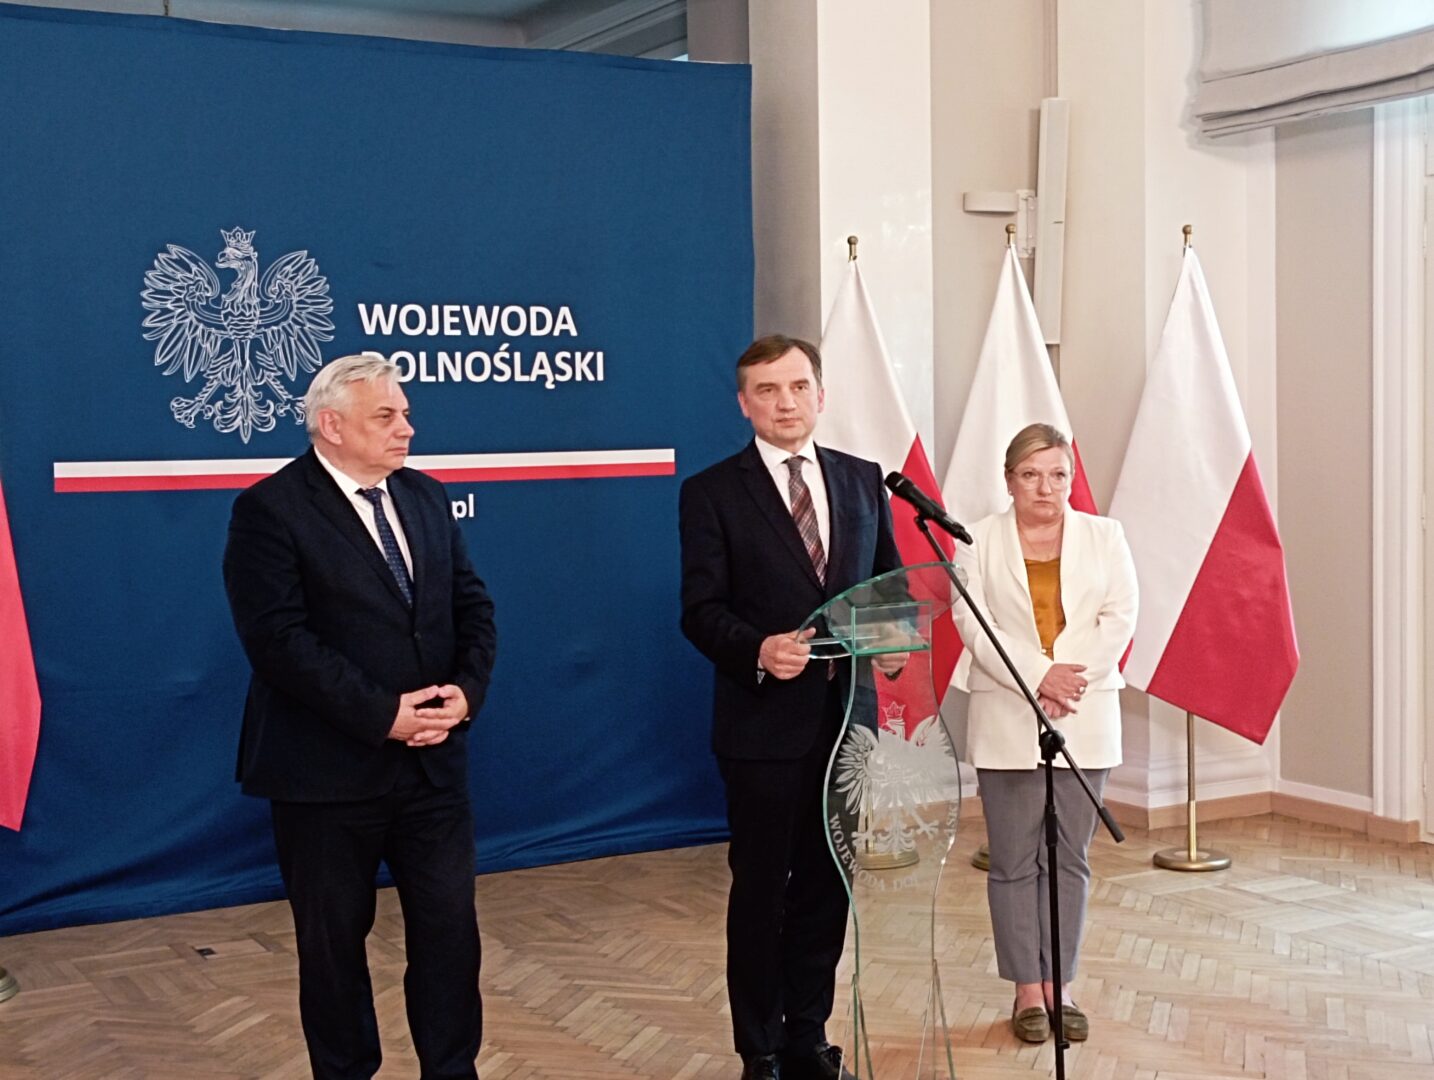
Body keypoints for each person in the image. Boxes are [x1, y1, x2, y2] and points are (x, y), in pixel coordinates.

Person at [223, 353, 497, 1080]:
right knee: (333, 949)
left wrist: (466, 692)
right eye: (387, 416)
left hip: (433, 769)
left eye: (404, 413)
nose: (407, 427)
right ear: (332, 425)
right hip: (325, 777)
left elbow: (472, 607)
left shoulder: (427, 497)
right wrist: (382, 715)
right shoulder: (270, 510)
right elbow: (277, 641)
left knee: (450, 937)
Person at [679, 335, 901, 1080]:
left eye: (799, 387)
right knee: (762, 894)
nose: (786, 403)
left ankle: (808, 1036)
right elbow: (699, 611)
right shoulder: (712, 491)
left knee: (827, 890)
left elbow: (886, 587)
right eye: (768, 391)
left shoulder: (864, 480)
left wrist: (893, 640)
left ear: (820, 395)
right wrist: (758, 648)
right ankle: (761, 1048)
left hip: (846, 727)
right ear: (744, 404)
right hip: (762, 728)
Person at [951, 422, 1137, 1045]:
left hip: (1084, 713)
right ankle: (1027, 990)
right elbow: (974, 626)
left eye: (1058, 474)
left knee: (1069, 857)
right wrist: (1038, 676)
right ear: (1009, 480)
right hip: (1007, 715)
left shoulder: (1106, 536)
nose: (1045, 487)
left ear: (1071, 478)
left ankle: (1062, 986)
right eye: (1031, 475)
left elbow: (1119, 618)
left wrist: (1066, 681)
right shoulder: (975, 540)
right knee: (1012, 860)